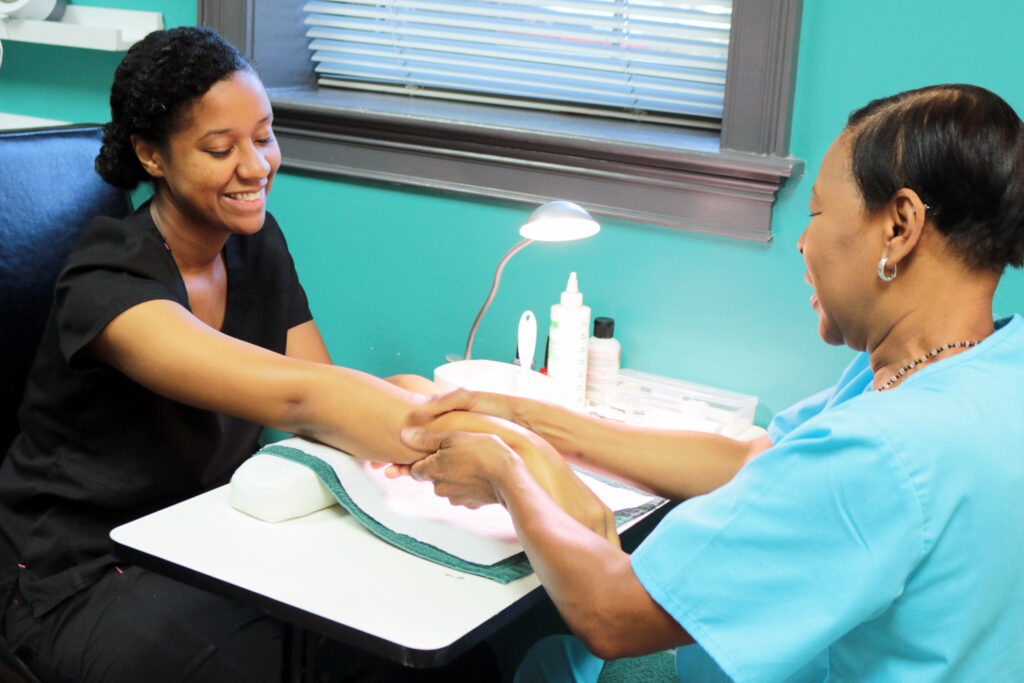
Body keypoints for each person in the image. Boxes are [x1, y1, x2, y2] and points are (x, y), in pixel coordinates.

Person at [0, 26, 614, 683]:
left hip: (206, 539)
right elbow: (301, 398)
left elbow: (318, 396)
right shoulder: (107, 283)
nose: (256, 165)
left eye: (263, 135)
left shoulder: (254, 244)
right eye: (220, 147)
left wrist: (412, 398)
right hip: (81, 574)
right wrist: (525, 462)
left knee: (446, 662)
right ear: (151, 155)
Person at [400, 84, 1024, 681]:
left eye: (817, 213)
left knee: (546, 660)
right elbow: (750, 459)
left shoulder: (884, 450)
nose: (803, 242)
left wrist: (508, 476)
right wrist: (537, 418)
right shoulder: (970, 363)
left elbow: (612, 614)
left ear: (900, 225)